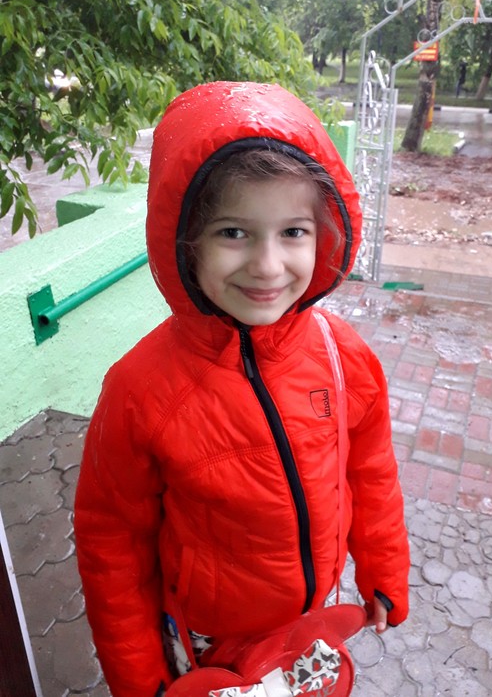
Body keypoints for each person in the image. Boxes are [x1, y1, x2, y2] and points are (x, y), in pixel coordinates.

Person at [74, 81, 410, 697]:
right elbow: (112, 546)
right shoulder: (139, 391)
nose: (268, 266)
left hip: (310, 628)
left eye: (293, 232)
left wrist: (384, 567)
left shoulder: (343, 356)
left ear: (325, 233)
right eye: (233, 232)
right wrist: (139, 676)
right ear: (184, 242)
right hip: (209, 649)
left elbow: (372, 473)